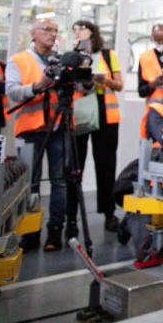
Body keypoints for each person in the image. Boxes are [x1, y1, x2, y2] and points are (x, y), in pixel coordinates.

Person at [6, 18, 79, 251]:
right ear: (33, 34)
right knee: (31, 183)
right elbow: (13, 93)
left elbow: (76, 90)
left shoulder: (60, 60)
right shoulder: (18, 60)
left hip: (58, 128)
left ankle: (55, 232)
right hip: (30, 130)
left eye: (56, 31)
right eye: (47, 30)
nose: (53, 34)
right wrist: (38, 85)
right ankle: (30, 231)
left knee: (59, 182)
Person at [64, 21, 123, 237]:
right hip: (80, 116)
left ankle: (109, 214)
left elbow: (119, 85)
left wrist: (103, 79)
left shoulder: (108, 55)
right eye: (75, 29)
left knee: (106, 166)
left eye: (81, 28)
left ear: (92, 32)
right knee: (74, 169)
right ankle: (71, 219)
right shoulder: (71, 56)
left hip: (106, 117)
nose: (77, 32)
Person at [138, 24, 163, 107]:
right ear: (153, 40)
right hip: (155, 112)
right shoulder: (145, 58)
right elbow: (141, 92)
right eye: (159, 42)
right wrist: (154, 84)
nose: (162, 45)